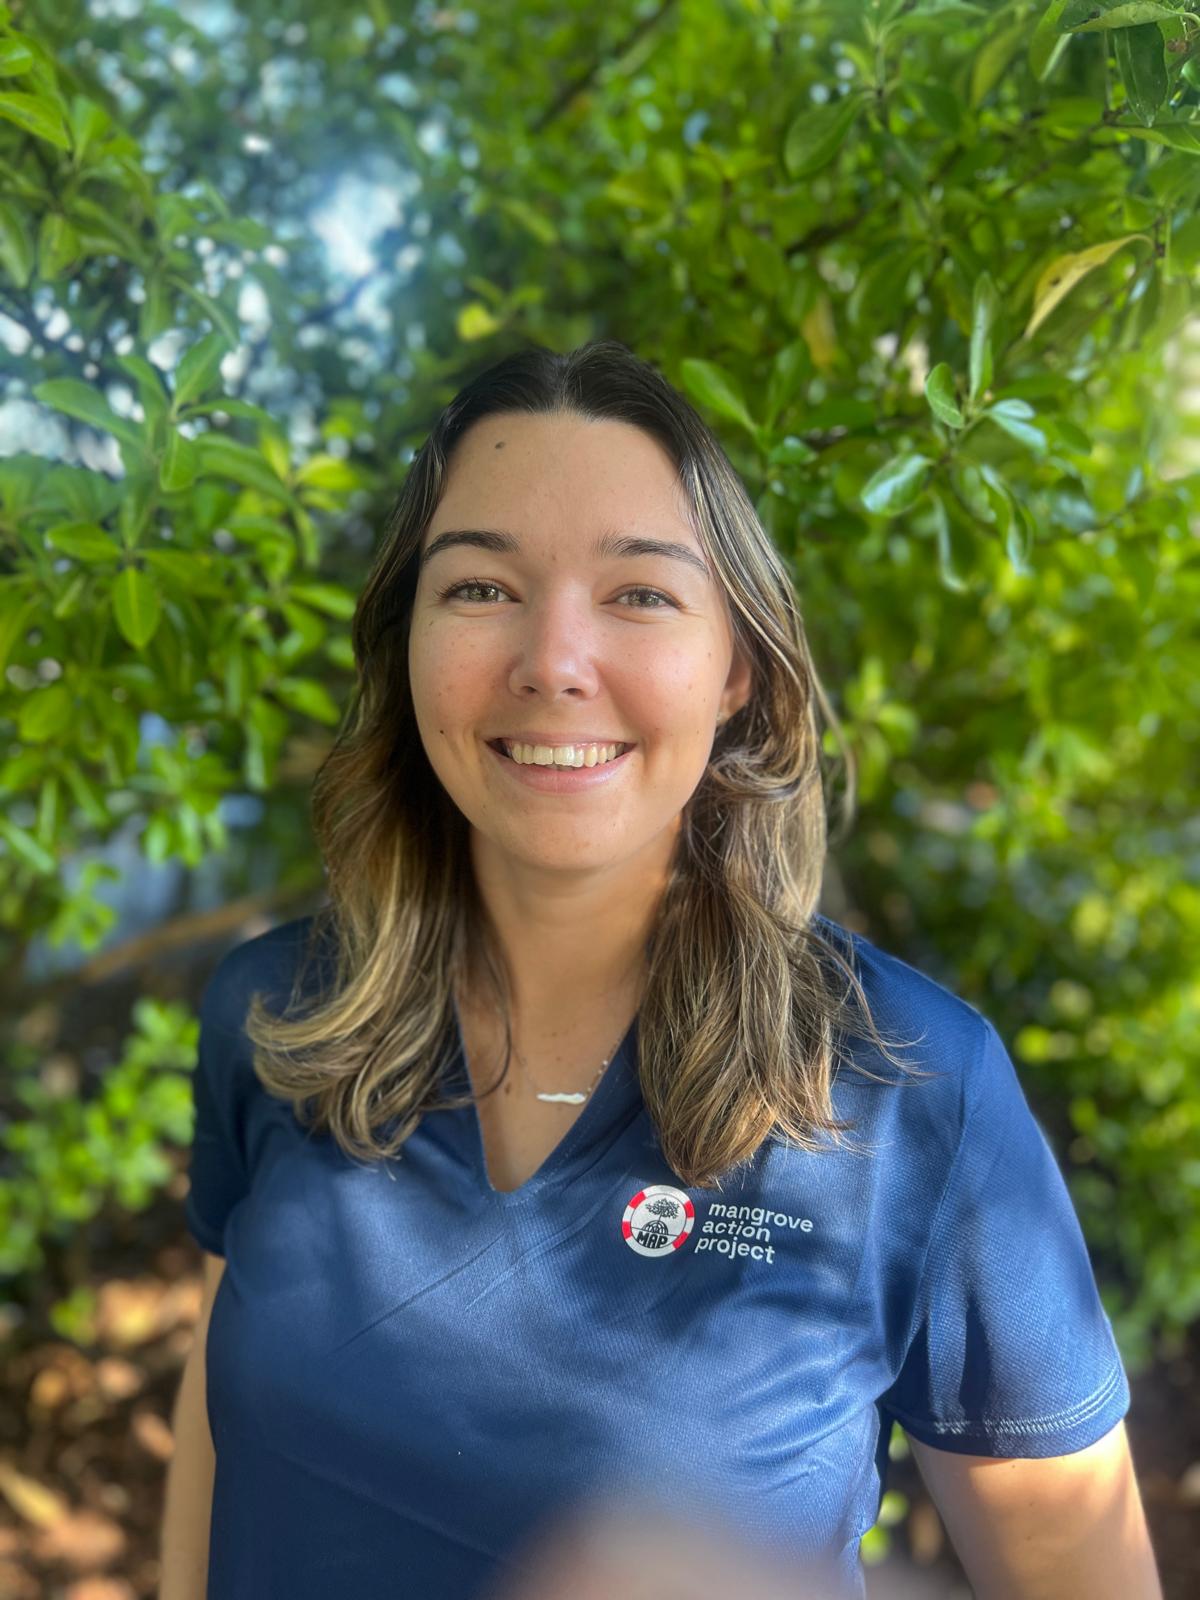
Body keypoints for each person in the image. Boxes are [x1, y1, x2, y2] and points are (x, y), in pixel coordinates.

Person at [162, 340, 1161, 1600]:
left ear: (738, 668)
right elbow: (222, 1433)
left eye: (638, 592)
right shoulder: (275, 1017)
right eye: (480, 586)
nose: (553, 659)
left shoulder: (914, 1092)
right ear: (406, 640)